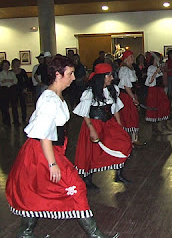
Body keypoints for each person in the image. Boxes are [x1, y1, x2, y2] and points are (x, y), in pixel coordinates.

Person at [6, 55, 118, 238]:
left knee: (36, 191)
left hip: (48, 151)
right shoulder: (49, 100)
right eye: (70, 73)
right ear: (58, 74)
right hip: (41, 152)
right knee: (76, 186)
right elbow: (43, 134)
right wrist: (52, 164)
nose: (73, 78)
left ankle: (25, 234)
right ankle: (96, 235)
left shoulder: (56, 96)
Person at [74, 63, 133, 188]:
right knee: (92, 153)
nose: (112, 78)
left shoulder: (113, 90)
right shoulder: (90, 93)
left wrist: (120, 125)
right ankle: (88, 179)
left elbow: (115, 109)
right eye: (109, 75)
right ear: (102, 77)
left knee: (125, 143)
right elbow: (84, 113)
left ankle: (119, 174)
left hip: (108, 122)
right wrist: (91, 129)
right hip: (94, 123)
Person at [118, 50, 146, 146]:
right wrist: (133, 98)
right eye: (130, 57)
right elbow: (126, 86)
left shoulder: (131, 69)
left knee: (133, 117)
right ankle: (128, 140)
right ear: (125, 59)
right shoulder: (124, 70)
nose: (132, 59)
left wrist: (135, 95)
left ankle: (133, 139)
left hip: (130, 94)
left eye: (132, 57)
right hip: (126, 96)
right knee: (129, 117)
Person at [145, 52, 171, 134]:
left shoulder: (156, 67)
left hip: (159, 90)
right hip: (154, 90)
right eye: (159, 58)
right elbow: (150, 80)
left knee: (164, 105)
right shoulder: (151, 68)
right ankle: (155, 128)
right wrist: (157, 71)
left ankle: (164, 125)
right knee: (154, 108)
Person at [0, 59, 18, 126]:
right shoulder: (1, 74)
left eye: (7, 65)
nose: (6, 66)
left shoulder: (12, 73)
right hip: (4, 90)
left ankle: (16, 121)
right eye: (4, 65)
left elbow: (15, 81)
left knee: (14, 106)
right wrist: (9, 80)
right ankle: (7, 121)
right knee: (5, 106)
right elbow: (1, 82)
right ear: (2, 66)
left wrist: (6, 80)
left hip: (12, 89)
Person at [11, 58, 29, 124]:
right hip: (13, 90)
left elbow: (26, 80)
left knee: (23, 105)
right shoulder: (10, 72)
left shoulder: (22, 71)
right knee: (14, 105)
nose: (16, 65)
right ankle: (16, 120)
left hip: (22, 90)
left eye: (18, 63)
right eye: (15, 63)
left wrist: (26, 88)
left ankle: (24, 118)